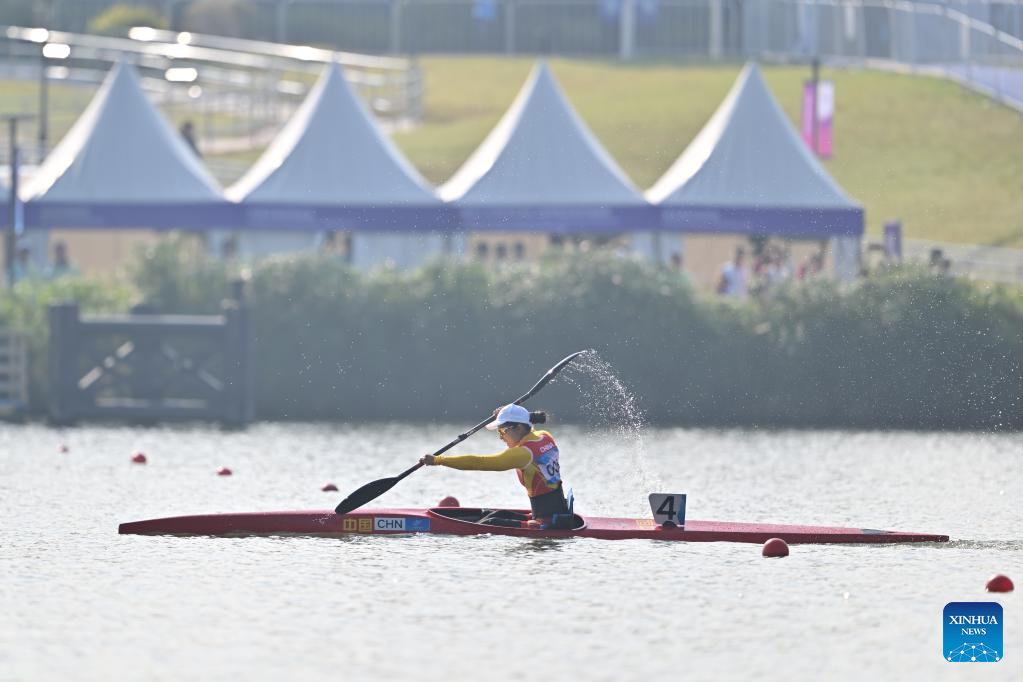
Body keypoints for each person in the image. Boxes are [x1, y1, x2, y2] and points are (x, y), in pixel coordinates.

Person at [419, 403, 569, 528]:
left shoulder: (523, 454)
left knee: (490, 523)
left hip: (545, 523)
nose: (500, 437)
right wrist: (507, 413)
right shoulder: (544, 436)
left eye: (502, 431)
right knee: (495, 515)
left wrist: (438, 460)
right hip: (557, 513)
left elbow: (478, 462)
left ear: (518, 428)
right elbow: (526, 423)